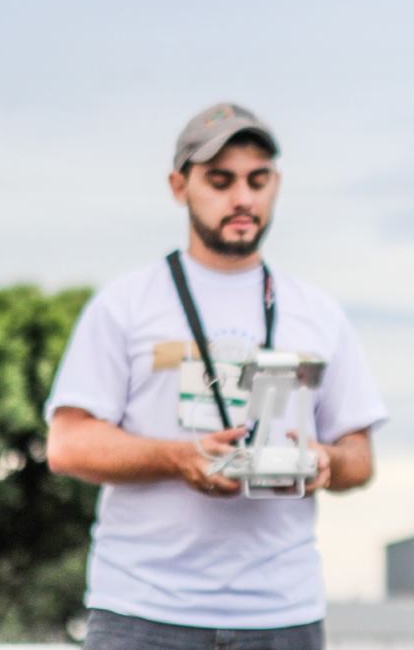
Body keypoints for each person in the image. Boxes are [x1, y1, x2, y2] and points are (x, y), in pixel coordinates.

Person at [45, 102, 387, 650]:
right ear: (179, 186)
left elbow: (360, 458)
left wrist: (326, 462)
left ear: (276, 184)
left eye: (257, 180)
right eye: (220, 181)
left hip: (282, 614)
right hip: (142, 611)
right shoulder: (126, 304)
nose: (243, 199)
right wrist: (178, 458)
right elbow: (67, 444)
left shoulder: (318, 313)